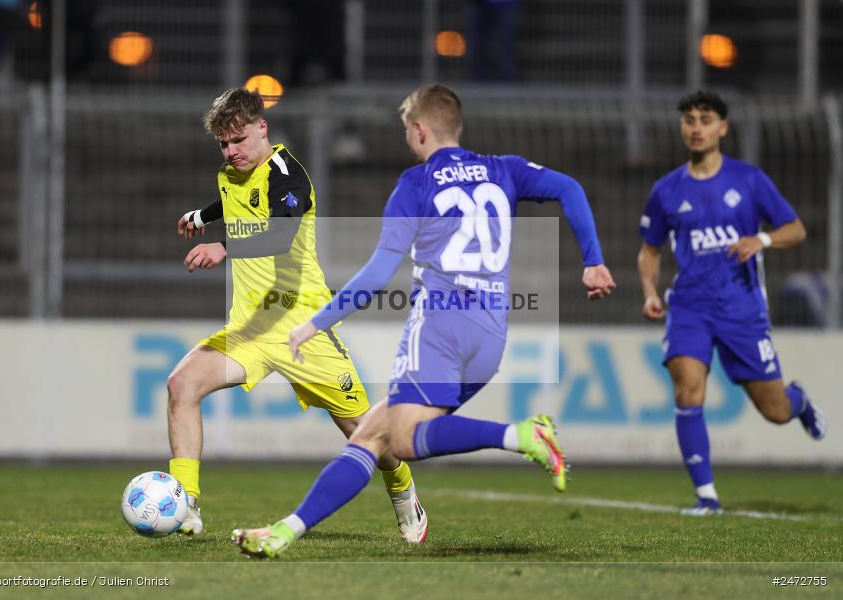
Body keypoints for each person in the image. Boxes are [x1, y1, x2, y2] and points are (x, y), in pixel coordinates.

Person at [231, 83, 616, 558]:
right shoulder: (505, 169)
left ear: (418, 131)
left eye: (405, 128)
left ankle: (521, 435)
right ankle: (284, 532)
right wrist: (593, 259)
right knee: (374, 434)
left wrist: (315, 323)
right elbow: (570, 189)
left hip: (440, 326)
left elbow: (376, 273)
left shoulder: (416, 184)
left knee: (407, 440)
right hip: (491, 332)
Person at [168, 88, 427, 542]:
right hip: (249, 330)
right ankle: (185, 504)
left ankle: (404, 493)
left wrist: (222, 246)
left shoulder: (288, 177)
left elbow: (278, 236)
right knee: (181, 384)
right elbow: (231, 201)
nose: (231, 152)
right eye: (223, 144)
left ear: (262, 128)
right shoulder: (233, 172)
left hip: (302, 331)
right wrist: (200, 215)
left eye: (238, 140)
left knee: (367, 435)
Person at [637, 90, 827, 516]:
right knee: (688, 390)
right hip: (689, 308)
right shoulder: (666, 190)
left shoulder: (749, 180)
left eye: (705, 119)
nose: (696, 127)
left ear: (723, 127)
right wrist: (651, 293)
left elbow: (795, 230)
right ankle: (707, 497)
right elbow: (649, 251)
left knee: (775, 411)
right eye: (689, 119)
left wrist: (761, 239)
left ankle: (800, 402)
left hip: (742, 309)